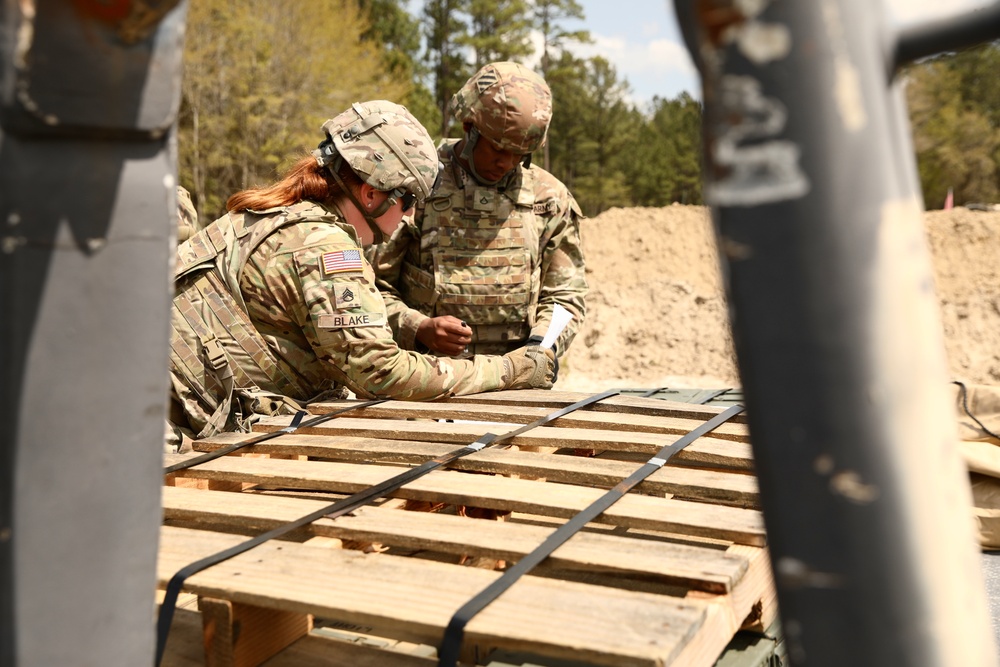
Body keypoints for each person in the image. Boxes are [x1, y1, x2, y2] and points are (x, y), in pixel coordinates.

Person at [167, 100, 555, 448]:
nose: (408, 216)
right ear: (371, 193)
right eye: (407, 200)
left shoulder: (265, 216)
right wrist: (508, 369)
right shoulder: (324, 246)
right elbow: (382, 371)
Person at [372, 62, 587, 364]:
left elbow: (566, 296)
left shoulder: (548, 198)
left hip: (518, 378)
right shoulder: (416, 184)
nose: (508, 163)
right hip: (426, 377)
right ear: (469, 129)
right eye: (499, 150)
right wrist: (417, 327)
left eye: (520, 154)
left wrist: (542, 348)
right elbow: (370, 288)